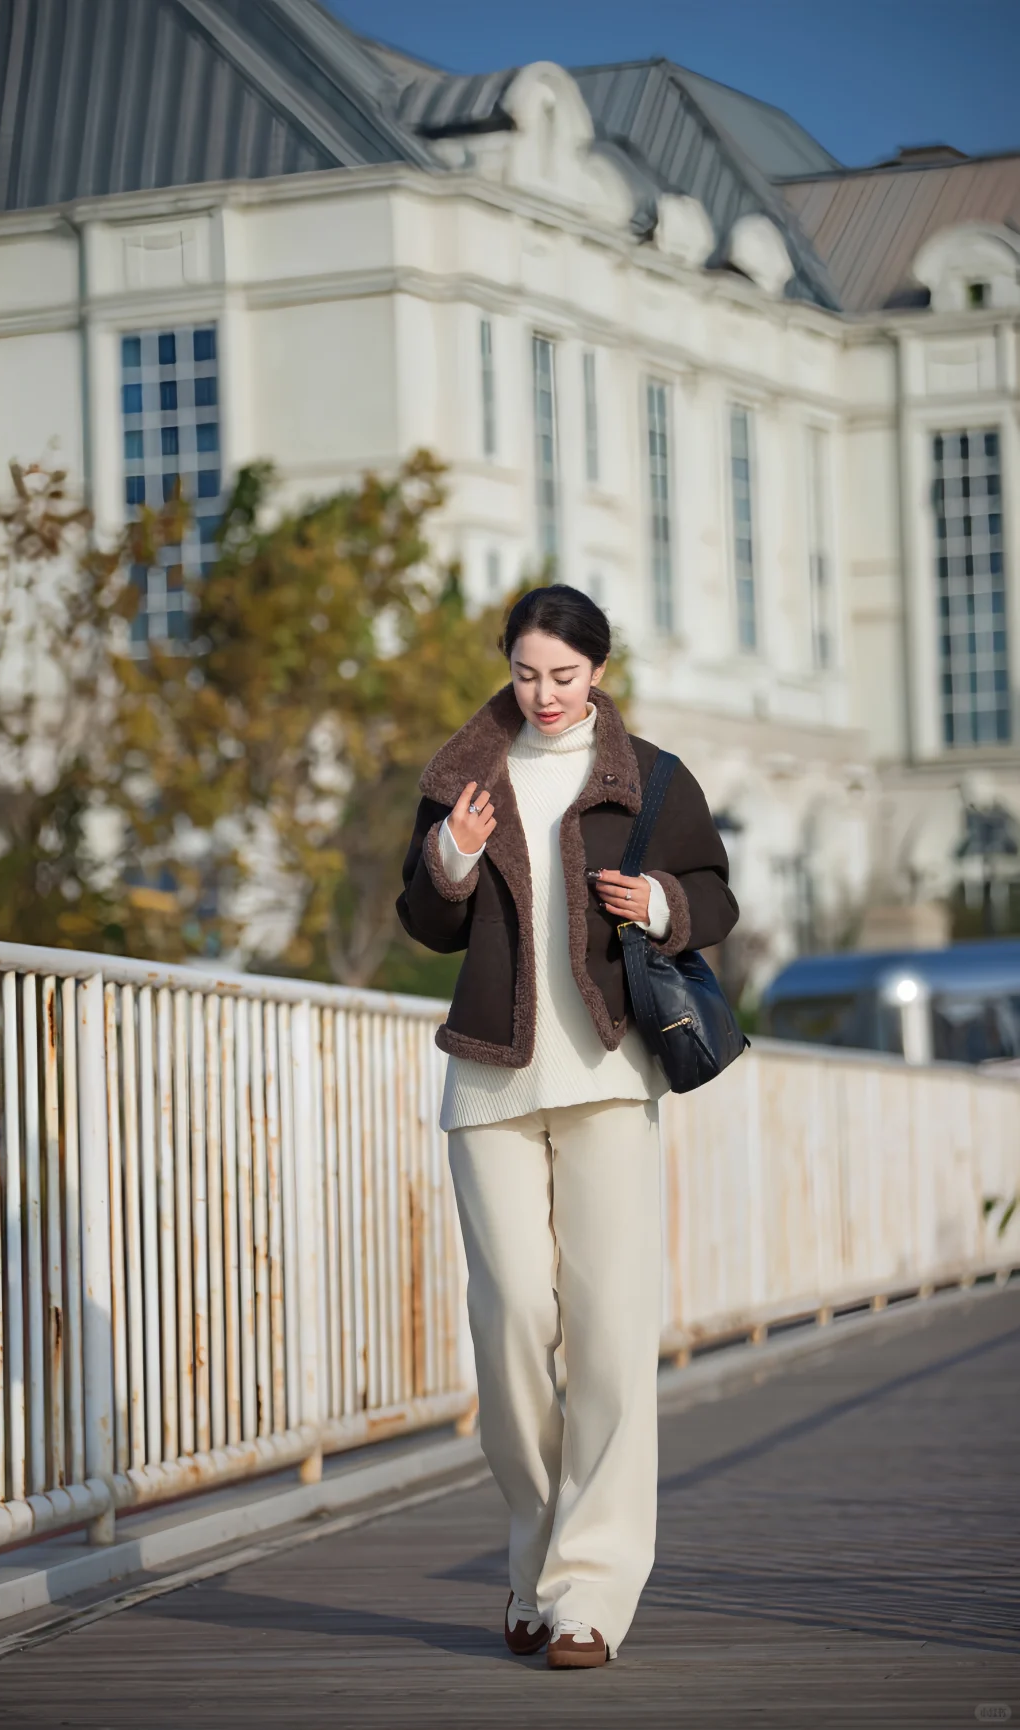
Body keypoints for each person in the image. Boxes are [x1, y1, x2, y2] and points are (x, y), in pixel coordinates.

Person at [397, 585, 738, 1668]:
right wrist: (449, 854)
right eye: (527, 670)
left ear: (596, 670)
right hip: (491, 1082)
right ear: (507, 664)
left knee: (607, 1332)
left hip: (606, 1075)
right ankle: (535, 1555)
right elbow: (423, 921)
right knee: (509, 1327)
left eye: (564, 673)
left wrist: (662, 905)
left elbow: (715, 895)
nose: (543, 693)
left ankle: (588, 1591)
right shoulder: (462, 776)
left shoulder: (656, 779)